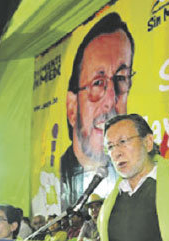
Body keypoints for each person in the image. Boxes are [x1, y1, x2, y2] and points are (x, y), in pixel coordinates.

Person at [61, 12, 135, 209]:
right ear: (72, 107)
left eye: (121, 78)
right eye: (98, 83)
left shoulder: (138, 176)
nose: (110, 100)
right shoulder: (55, 179)